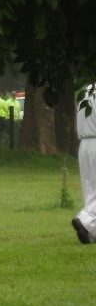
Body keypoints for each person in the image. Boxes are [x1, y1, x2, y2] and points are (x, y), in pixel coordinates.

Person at [71, 84, 96, 245]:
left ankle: (90, 233)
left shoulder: (86, 90)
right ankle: (85, 220)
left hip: (84, 143)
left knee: (91, 189)